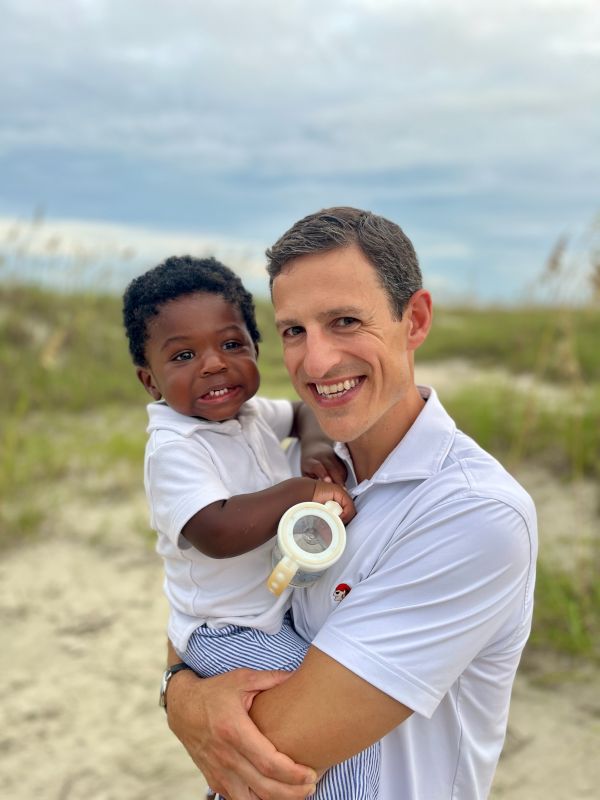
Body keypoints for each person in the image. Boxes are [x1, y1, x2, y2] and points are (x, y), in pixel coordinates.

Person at [164, 208, 538, 800]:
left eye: (344, 321)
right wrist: (181, 692)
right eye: (294, 330)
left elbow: (280, 743)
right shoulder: (292, 469)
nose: (315, 362)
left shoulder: (473, 514)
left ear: (414, 320)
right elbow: (203, 597)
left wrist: (182, 700)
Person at [122, 255, 381, 800]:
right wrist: (297, 492)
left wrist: (312, 448)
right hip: (227, 631)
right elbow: (214, 531)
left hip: (271, 615)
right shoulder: (175, 449)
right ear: (150, 381)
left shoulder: (250, 413)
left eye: (232, 344)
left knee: (273, 737)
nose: (215, 365)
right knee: (329, 722)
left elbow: (305, 415)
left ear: (256, 348)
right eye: (185, 355)